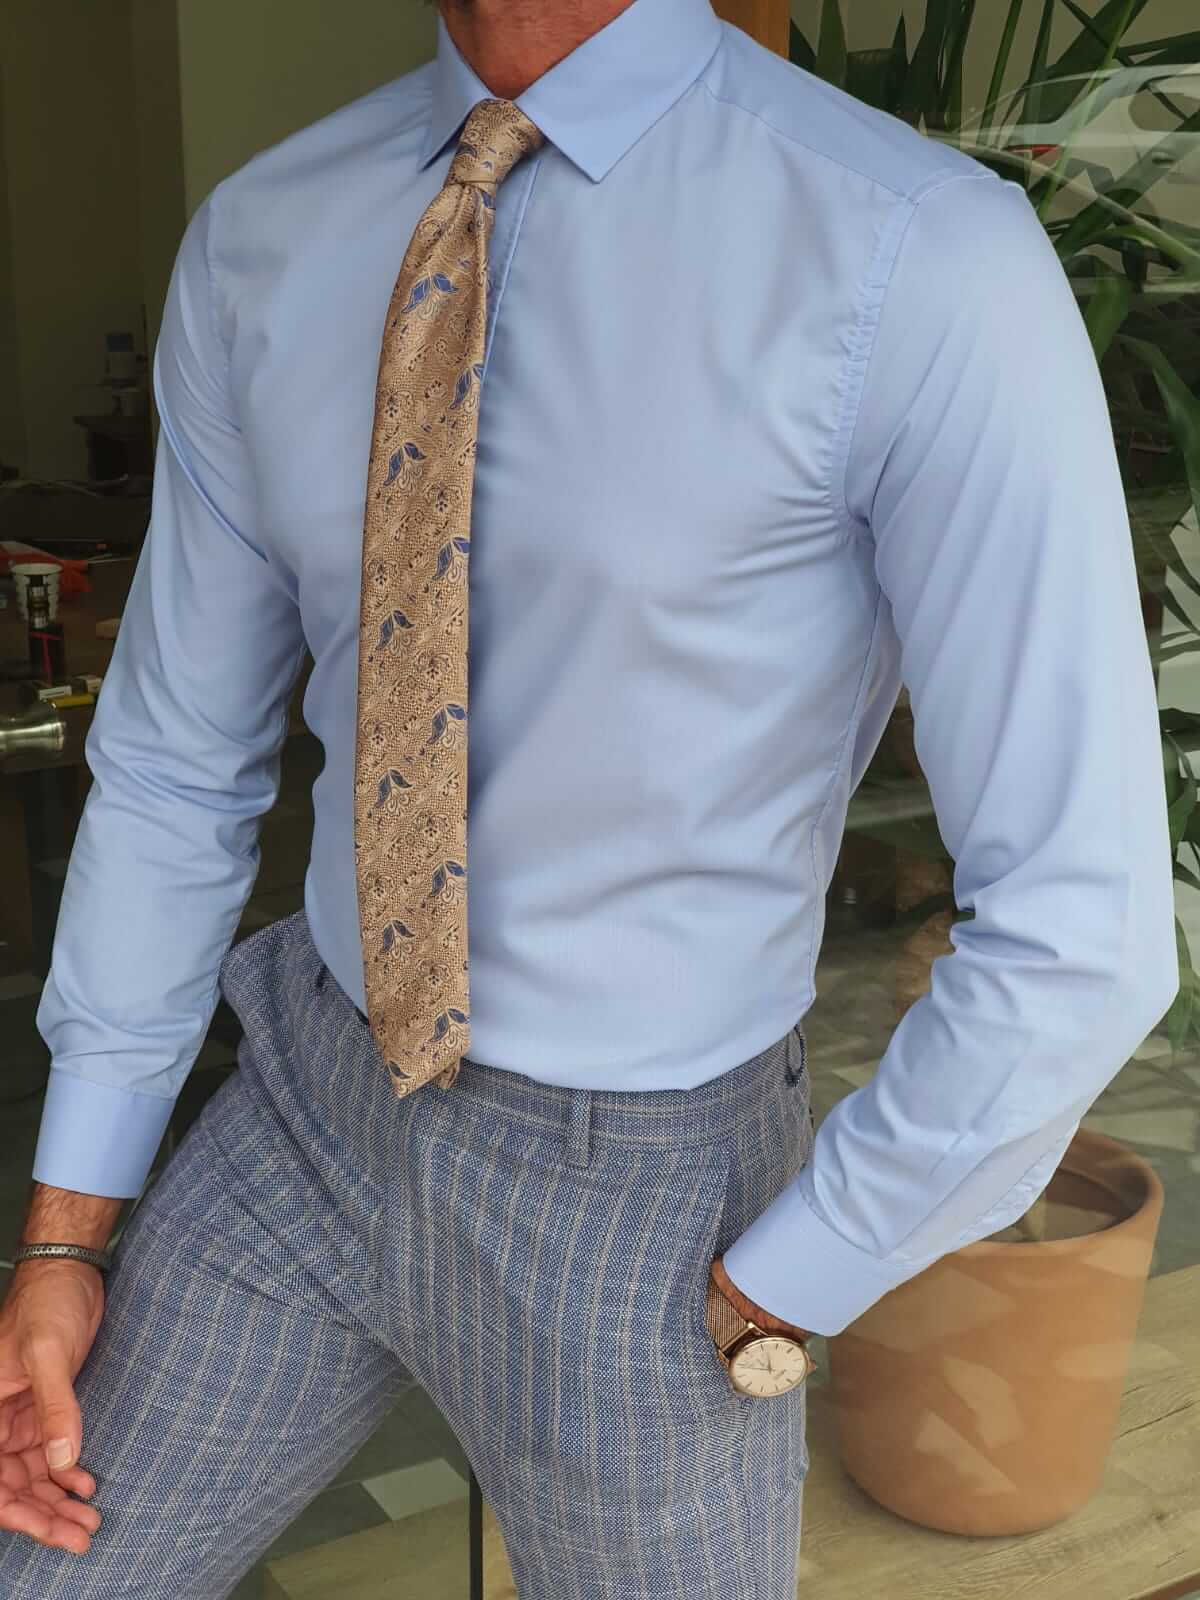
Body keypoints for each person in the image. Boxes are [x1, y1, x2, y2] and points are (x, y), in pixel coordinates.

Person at [0, 0, 1178, 1591]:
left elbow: (1082, 915)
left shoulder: (917, 254)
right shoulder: (264, 238)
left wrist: (792, 1277)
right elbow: (172, 758)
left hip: (646, 1198)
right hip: (304, 1107)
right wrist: (66, 1228)